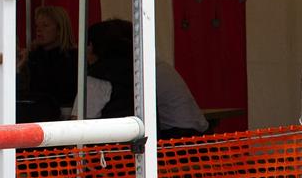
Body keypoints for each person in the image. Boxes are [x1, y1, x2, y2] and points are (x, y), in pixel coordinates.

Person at [78, 18, 208, 138]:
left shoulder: (140, 70)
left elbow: (80, 124)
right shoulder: (145, 67)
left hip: (177, 136)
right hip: (189, 133)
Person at [18, 5, 77, 120]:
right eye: (37, 26)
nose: (39, 30)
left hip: (66, 117)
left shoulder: (73, 57)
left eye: (45, 25)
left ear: (60, 30)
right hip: (35, 115)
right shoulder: (32, 56)